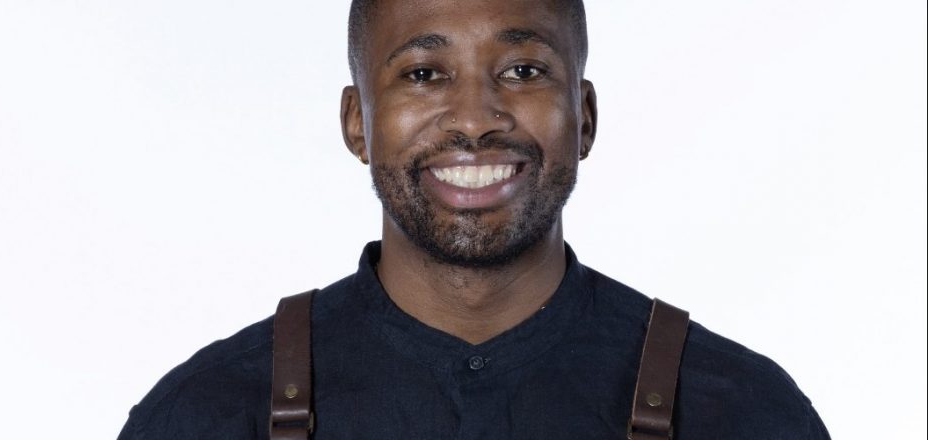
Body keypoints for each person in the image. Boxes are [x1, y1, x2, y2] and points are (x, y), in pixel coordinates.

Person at [118, 0, 830, 438]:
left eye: (522, 71)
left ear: (583, 117)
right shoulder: (206, 413)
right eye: (423, 74)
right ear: (357, 123)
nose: (474, 119)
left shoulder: (741, 411)